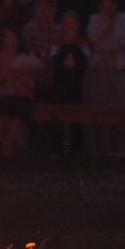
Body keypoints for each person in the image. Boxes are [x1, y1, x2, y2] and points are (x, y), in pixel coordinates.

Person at [85, 0, 125, 157]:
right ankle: (100, 147)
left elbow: (124, 42)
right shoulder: (95, 19)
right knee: (99, 105)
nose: (107, 6)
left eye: (109, 2)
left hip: (116, 68)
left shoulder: (124, 18)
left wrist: (103, 48)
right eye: (104, 3)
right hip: (100, 69)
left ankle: (117, 147)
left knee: (118, 106)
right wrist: (105, 24)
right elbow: (93, 39)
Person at [0, 28, 40, 157]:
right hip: (5, 95)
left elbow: (31, 82)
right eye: (7, 37)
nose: (10, 40)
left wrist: (20, 83)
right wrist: (6, 76)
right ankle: (9, 141)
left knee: (18, 105)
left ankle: (8, 143)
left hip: (22, 95)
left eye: (13, 37)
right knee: (7, 104)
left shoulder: (25, 58)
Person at [43, 10, 92, 155]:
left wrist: (72, 49)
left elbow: (85, 61)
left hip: (77, 86)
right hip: (60, 86)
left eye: (72, 22)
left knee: (76, 118)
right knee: (58, 116)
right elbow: (54, 61)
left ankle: (76, 150)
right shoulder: (56, 43)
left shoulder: (83, 43)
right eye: (66, 22)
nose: (69, 26)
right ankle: (57, 149)